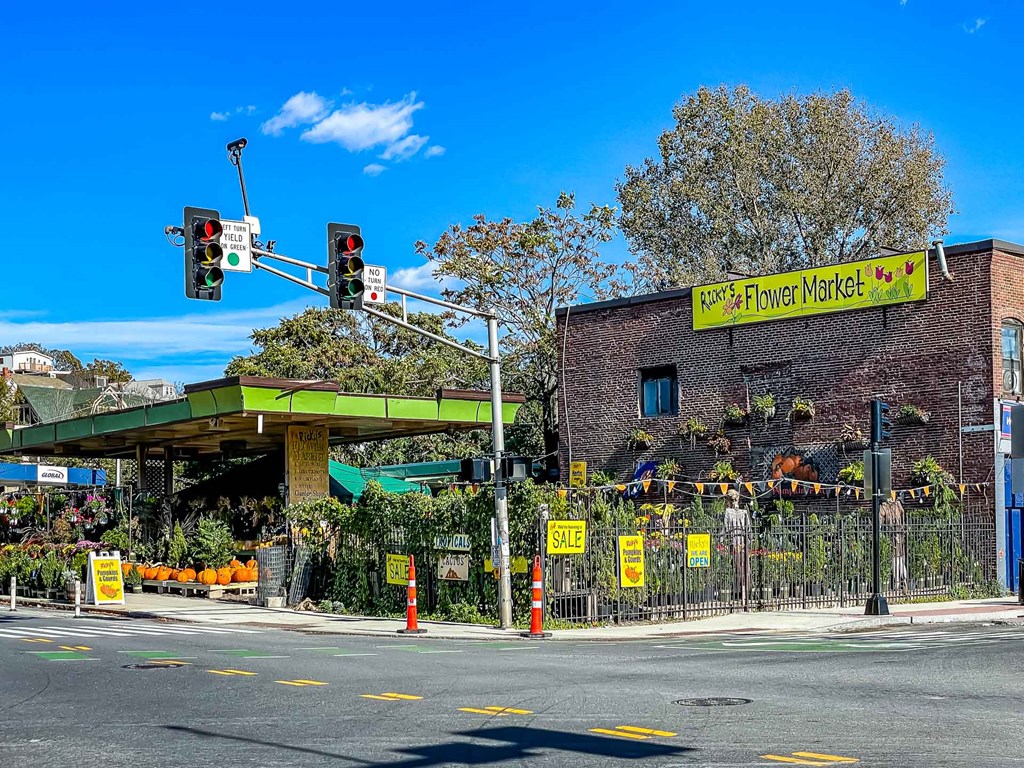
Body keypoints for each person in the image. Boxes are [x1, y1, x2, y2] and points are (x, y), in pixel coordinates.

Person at [723, 488, 753, 601]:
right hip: (743, 543)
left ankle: (740, 592)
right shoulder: (744, 512)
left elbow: (725, 530)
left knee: (737, 568)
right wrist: (747, 543)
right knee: (746, 567)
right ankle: (747, 590)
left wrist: (721, 541)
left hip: (734, 543)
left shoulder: (727, 512)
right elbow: (749, 531)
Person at [880, 497, 908, 594]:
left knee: (898, 560)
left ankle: (901, 581)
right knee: (897, 560)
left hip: (897, 535)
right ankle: (901, 581)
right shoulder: (885, 506)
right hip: (893, 535)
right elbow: (881, 519)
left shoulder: (896, 505)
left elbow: (902, 515)